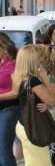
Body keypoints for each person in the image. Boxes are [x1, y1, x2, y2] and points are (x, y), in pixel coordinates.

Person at [13, 45, 55, 166]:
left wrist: (46, 104)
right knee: (42, 163)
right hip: (33, 128)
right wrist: (46, 80)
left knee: (32, 162)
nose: (42, 59)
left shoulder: (21, 78)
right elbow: (53, 100)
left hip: (23, 125)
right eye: (39, 57)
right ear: (32, 60)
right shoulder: (33, 81)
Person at [0, 33, 19, 166]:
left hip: (9, 109)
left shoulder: (13, 65)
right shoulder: (1, 64)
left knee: (4, 151)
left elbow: (16, 92)